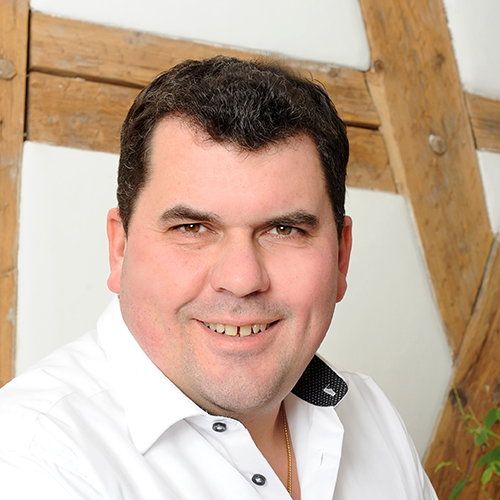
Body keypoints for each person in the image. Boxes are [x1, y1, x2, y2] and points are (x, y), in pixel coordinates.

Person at [0, 56, 438, 499]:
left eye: (284, 230)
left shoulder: (371, 416)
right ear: (120, 249)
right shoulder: (33, 462)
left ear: (341, 256)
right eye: (192, 228)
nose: (242, 279)